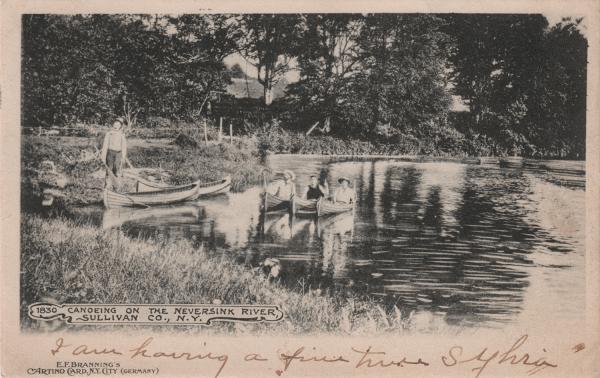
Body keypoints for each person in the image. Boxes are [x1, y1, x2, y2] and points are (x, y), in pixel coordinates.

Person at [101, 117, 132, 188]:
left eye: (118, 125)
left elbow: (124, 146)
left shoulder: (122, 135)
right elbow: (105, 145)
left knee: (117, 169)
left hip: (118, 153)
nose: (116, 126)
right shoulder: (109, 134)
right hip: (110, 153)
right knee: (109, 169)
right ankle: (107, 185)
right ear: (113, 125)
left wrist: (123, 156)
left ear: (120, 126)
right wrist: (103, 156)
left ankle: (116, 185)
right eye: (115, 125)